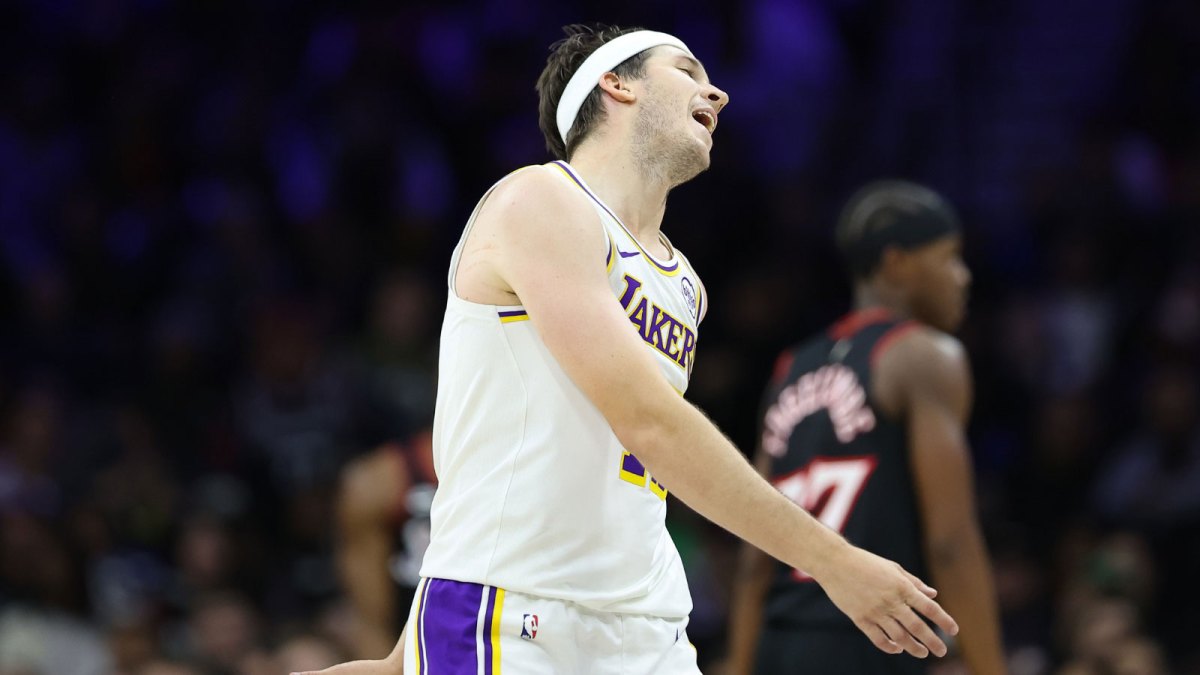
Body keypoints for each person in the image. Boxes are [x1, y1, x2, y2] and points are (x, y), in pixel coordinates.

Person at [298, 25, 956, 675]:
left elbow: (625, 457)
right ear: (616, 84)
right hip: (515, 607)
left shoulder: (684, 284)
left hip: (647, 623)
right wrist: (836, 561)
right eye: (687, 71)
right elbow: (649, 420)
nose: (718, 93)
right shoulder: (540, 199)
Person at [725, 181, 1005, 674]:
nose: (962, 277)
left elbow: (755, 556)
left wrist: (741, 663)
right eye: (949, 257)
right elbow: (951, 544)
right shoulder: (924, 355)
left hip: (780, 641)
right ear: (897, 263)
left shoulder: (791, 367)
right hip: (872, 640)